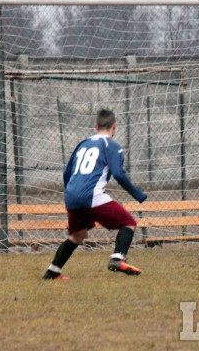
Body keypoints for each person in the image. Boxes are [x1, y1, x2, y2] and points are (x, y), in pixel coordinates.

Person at [43, 108, 148, 280]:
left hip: (71, 195)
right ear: (114, 126)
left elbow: (66, 172)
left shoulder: (83, 143)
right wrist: (138, 194)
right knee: (129, 223)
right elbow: (119, 173)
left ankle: (52, 272)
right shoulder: (112, 145)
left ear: (95, 126)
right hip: (92, 195)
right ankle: (117, 258)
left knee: (77, 235)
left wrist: (72, 193)